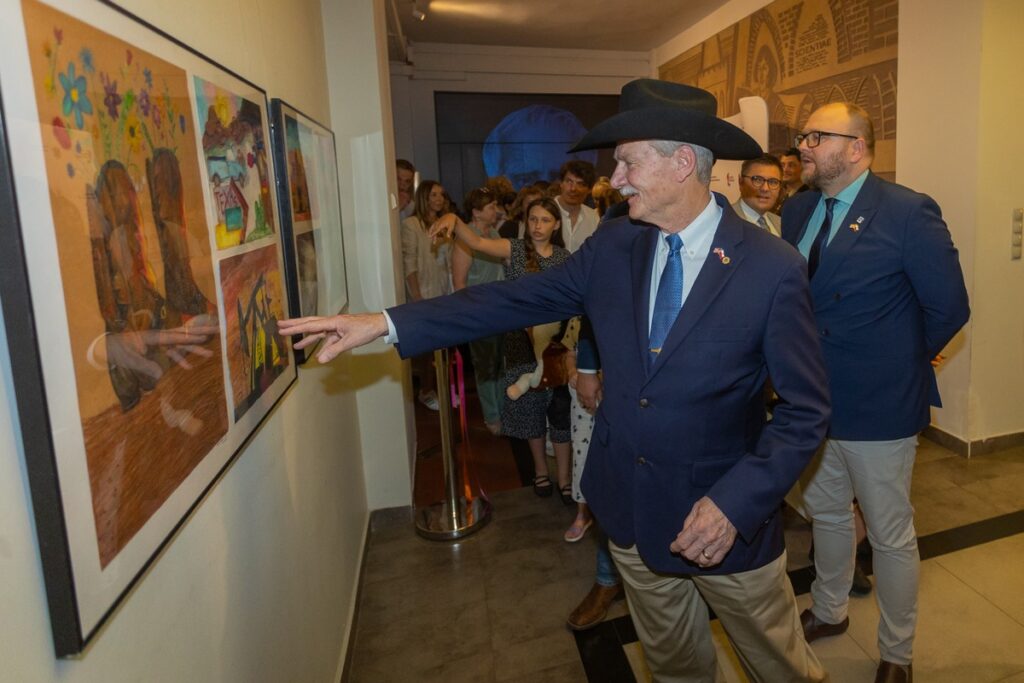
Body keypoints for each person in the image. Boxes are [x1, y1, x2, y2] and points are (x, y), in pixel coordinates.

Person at [279, 79, 831, 683]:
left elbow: (806, 411)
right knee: (678, 672)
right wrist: (382, 324)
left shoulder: (771, 267)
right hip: (631, 517)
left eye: (627, 161)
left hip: (727, 526)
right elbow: (510, 300)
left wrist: (734, 503)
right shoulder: (614, 244)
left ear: (680, 164)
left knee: (784, 672)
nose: (615, 178)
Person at [782, 102, 970, 683]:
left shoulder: (908, 211)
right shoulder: (798, 210)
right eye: (802, 136)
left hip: (879, 401)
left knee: (889, 534)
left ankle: (897, 651)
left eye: (816, 136)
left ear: (857, 146)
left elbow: (948, 308)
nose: (803, 147)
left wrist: (892, 362)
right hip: (812, 399)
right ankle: (832, 611)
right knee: (829, 516)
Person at [434, 198, 573, 498]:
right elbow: (478, 242)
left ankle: (564, 479)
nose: (537, 226)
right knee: (530, 412)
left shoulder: (565, 257)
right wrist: (453, 219)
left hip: (555, 346)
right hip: (520, 343)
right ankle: (540, 472)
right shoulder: (515, 250)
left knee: (560, 413)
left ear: (557, 224)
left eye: (545, 220)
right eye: (532, 219)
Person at [450, 188, 505, 435]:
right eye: (491, 206)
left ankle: (504, 410)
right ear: (476, 212)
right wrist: (469, 316)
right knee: (485, 366)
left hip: (500, 308)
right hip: (478, 310)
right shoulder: (466, 239)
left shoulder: (493, 233)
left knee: (501, 363)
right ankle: (492, 416)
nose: (497, 210)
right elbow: (459, 282)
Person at [400, 180, 452, 409]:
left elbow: (448, 261)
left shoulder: (445, 223)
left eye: (441, 194)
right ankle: (425, 390)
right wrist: (416, 296)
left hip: (443, 290)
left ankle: (442, 389)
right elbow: (408, 262)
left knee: (443, 345)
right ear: (423, 198)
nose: (438, 199)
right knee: (425, 348)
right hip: (423, 291)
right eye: (433, 195)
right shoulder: (412, 224)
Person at [554, 160, 599, 253]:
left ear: (589, 189)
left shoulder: (593, 218)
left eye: (580, 184)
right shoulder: (542, 211)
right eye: (569, 181)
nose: (573, 189)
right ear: (561, 183)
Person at [732, 154, 782, 236]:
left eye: (773, 182)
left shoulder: (782, 224)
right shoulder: (724, 220)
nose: (765, 189)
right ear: (741, 182)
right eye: (757, 180)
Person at [777, 148, 807, 212]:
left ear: (803, 167)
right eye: (782, 165)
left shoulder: (807, 197)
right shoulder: (783, 194)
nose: (785, 170)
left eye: (791, 165)